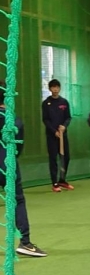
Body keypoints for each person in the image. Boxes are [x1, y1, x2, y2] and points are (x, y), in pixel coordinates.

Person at [0, 82, 47, 257]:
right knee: (17, 200)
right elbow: (18, 146)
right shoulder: (13, 119)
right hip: (7, 165)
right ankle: (25, 243)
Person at [42, 79, 73, 192]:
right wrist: (54, 131)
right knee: (53, 158)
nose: (55, 89)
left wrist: (64, 127)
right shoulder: (46, 103)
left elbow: (68, 117)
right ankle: (55, 183)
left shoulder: (64, 102)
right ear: (50, 89)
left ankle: (62, 180)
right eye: (53, 87)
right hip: (52, 136)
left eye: (57, 87)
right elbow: (45, 119)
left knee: (66, 157)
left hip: (63, 135)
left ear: (59, 88)